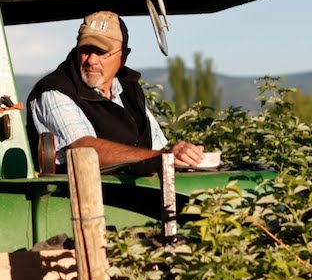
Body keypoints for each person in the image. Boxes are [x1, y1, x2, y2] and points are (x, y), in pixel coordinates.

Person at [27, 10, 205, 169]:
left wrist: (184, 155)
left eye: (101, 52)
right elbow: (82, 149)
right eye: (85, 50)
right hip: (77, 199)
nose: (91, 60)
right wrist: (162, 158)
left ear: (123, 56)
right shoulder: (54, 91)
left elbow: (157, 147)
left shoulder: (129, 90)